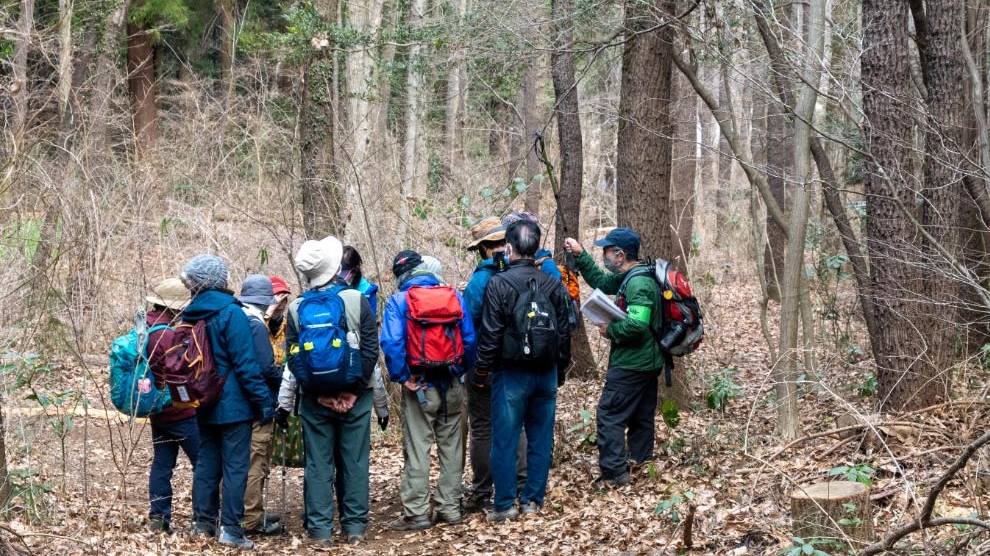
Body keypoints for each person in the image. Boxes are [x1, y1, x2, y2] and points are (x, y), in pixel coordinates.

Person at [475, 219, 572, 521]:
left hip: (510, 373)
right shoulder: (554, 284)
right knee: (541, 438)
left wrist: (480, 371)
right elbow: (566, 330)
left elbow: (490, 334)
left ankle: (504, 505)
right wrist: (561, 368)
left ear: (509, 248)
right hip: (546, 372)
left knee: (505, 439)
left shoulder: (499, 284)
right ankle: (532, 500)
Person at [287, 236, 378, 546]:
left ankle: (321, 531)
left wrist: (318, 395)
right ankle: (354, 529)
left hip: (315, 401)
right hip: (358, 397)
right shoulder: (356, 299)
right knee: (354, 461)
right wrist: (353, 391)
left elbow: (293, 358)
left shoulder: (297, 308)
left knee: (318, 464)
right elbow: (370, 350)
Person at [181, 254, 274, 550]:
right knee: (236, 466)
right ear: (219, 280)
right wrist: (264, 403)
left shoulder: (190, 314)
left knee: (207, 462)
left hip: (202, 399)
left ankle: (203, 523)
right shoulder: (231, 313)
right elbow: (246, 364)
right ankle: (232, 529)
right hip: (233, 405)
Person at [381, 251, 476, 530]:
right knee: (452, 447)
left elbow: (391, 342)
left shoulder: (399, 301)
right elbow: (469, 339)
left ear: (400, 277)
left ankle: (418, 513)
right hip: (452, 383)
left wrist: (402, 376)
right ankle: (450, 508)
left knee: (418, 448)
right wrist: (459, 370)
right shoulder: (453, 296)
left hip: (419, 385)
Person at [563, 228, 664, 487]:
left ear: (620, 254)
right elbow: (603, 282)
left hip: (633, 363)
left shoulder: (639, 282)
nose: (604, 255)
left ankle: (615, 474)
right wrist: (582, 255)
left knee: (609, 414)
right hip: (645, 362)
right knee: (641, 416)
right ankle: (640, 464)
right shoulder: (630, 275)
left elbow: (637, 325)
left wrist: (611, 330)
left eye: (607, 251)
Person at [460, 216, 525, 512]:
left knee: (483, 426)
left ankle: (483, 489)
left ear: (484, 248)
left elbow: (469, 323)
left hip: (484, 363)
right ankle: (522, 483)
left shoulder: (480, 280)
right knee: (516, 422)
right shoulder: (523, 271)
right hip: (518, 360)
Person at [145, 278, 198, 534]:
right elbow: (183, 369)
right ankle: (204, 517)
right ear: (175, 309)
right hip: (181, 410)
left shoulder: (144, 327)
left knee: (162, 464)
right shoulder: (167, 335)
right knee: (204, 463)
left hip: (157, 410)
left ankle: (158, 518)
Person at [238, 275, 284, 536]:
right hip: (257, 402)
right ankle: (252, 517)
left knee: (236, 459)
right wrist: (283, 382)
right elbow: (266, 367)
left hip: (235, 402)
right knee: (256, 460)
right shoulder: (256, 325)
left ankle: (235, 511)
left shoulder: (233, 318)